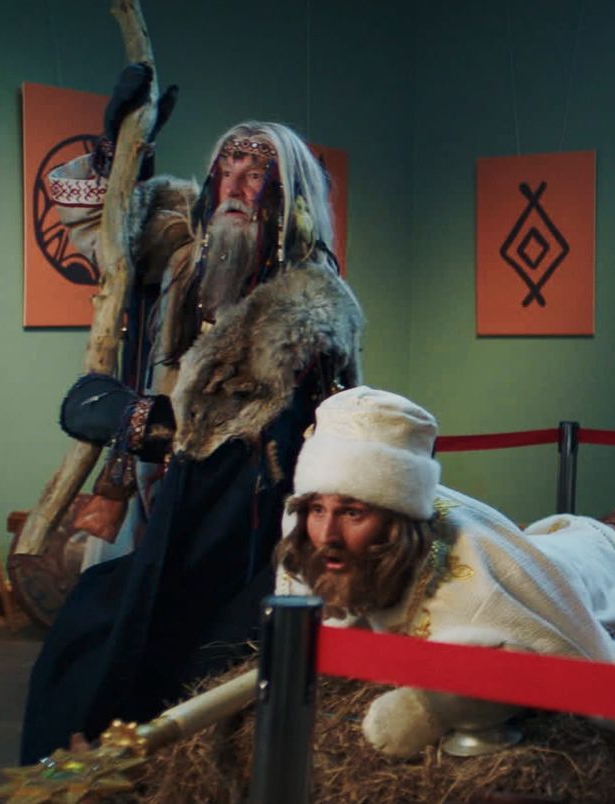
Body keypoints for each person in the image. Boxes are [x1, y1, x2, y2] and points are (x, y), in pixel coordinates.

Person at [20, 64, 364, 763]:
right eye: (226, 170)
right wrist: (121, 150)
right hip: (157, 496)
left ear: (290, 200)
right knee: (102, 637)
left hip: (243, 526)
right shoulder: (186, 254)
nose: (236, 186)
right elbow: (102, 236)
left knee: (183, 657)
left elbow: (250, 419)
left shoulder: (311, 302)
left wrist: (134, 420)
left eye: (256, 173)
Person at [272, 386, 615, 756]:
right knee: (575, 536)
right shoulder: (315, 533)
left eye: (352, 513)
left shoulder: (480, 596)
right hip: (529, 541)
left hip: (560, 568)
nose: (327, 534)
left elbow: (593, 668)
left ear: (396, 520)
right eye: (318, 509)